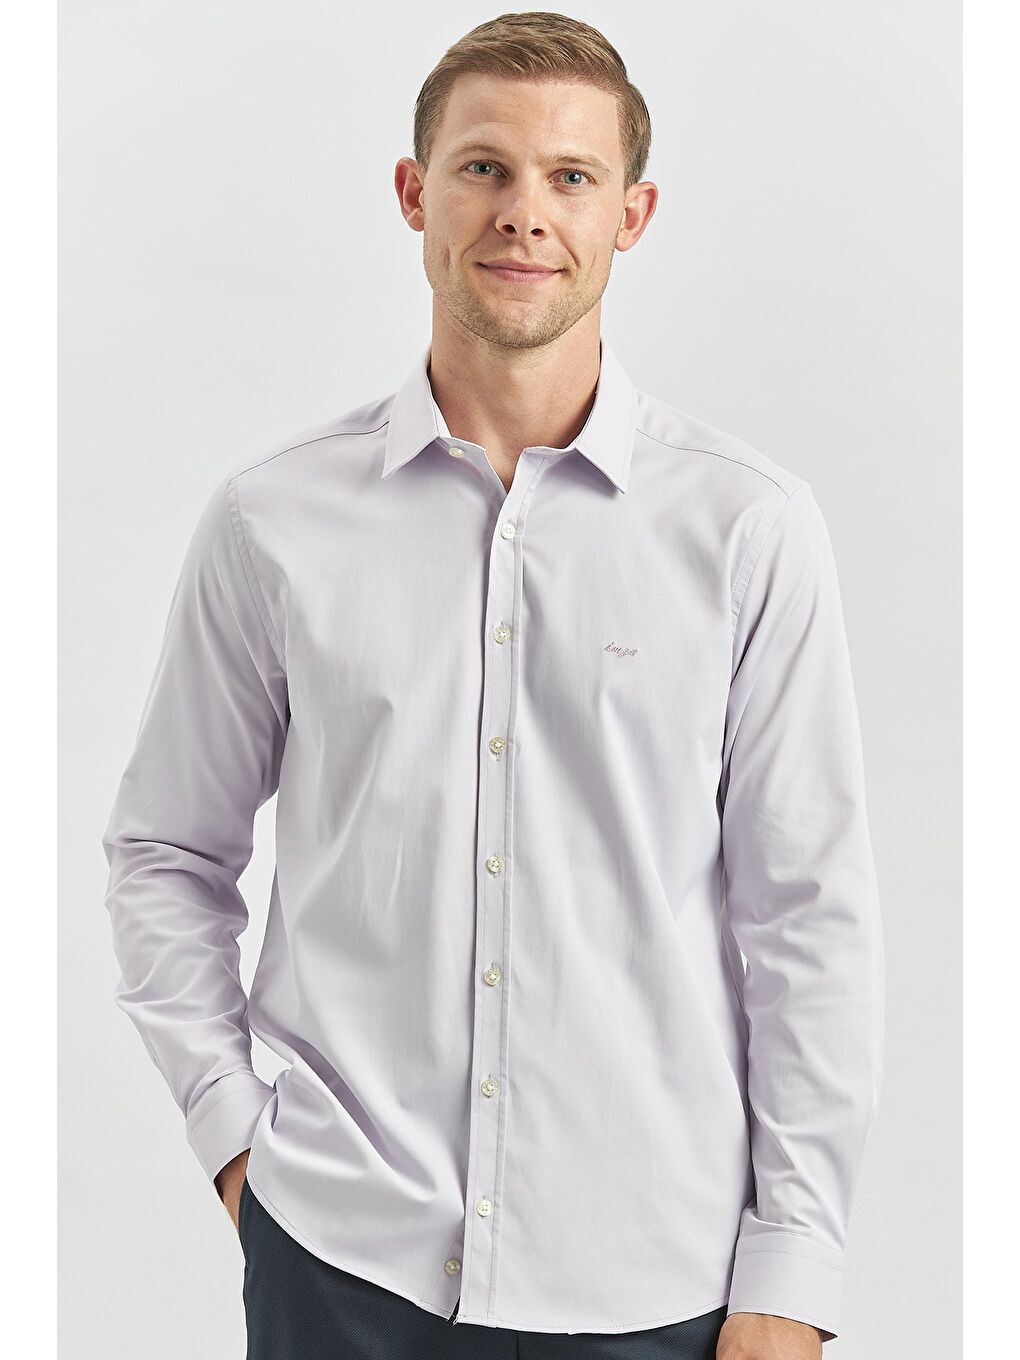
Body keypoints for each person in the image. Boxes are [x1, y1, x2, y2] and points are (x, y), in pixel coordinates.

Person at [101, 11, 884, 1359]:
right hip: (342, 1261)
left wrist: (794, 1274)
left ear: (631, 214)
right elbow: (166, 851)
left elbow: (808, 916)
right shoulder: (273, 522)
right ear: (415, 193)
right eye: (484, 168)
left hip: (657, 1283)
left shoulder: (750, 528)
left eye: (571, 176)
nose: (525, 212)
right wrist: (239, 1145)